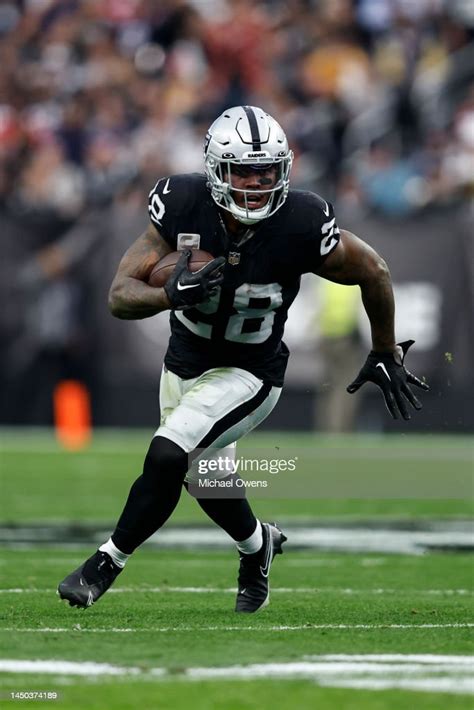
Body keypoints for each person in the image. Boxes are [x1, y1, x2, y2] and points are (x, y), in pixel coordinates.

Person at [58, 105, 428, 613]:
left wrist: (385, 348)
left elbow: (375, 270)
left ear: (286, 170)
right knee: (204, 479)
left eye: (268, 171)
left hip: (251, 372)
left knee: (168, 454)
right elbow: (120, 296)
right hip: (183, 363)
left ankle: (105, 563)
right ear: (215, 169)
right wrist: (172, 293)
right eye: (244, 171)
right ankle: (259, 548)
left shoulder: (302, 220)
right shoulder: (182, 202)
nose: (256, 183)